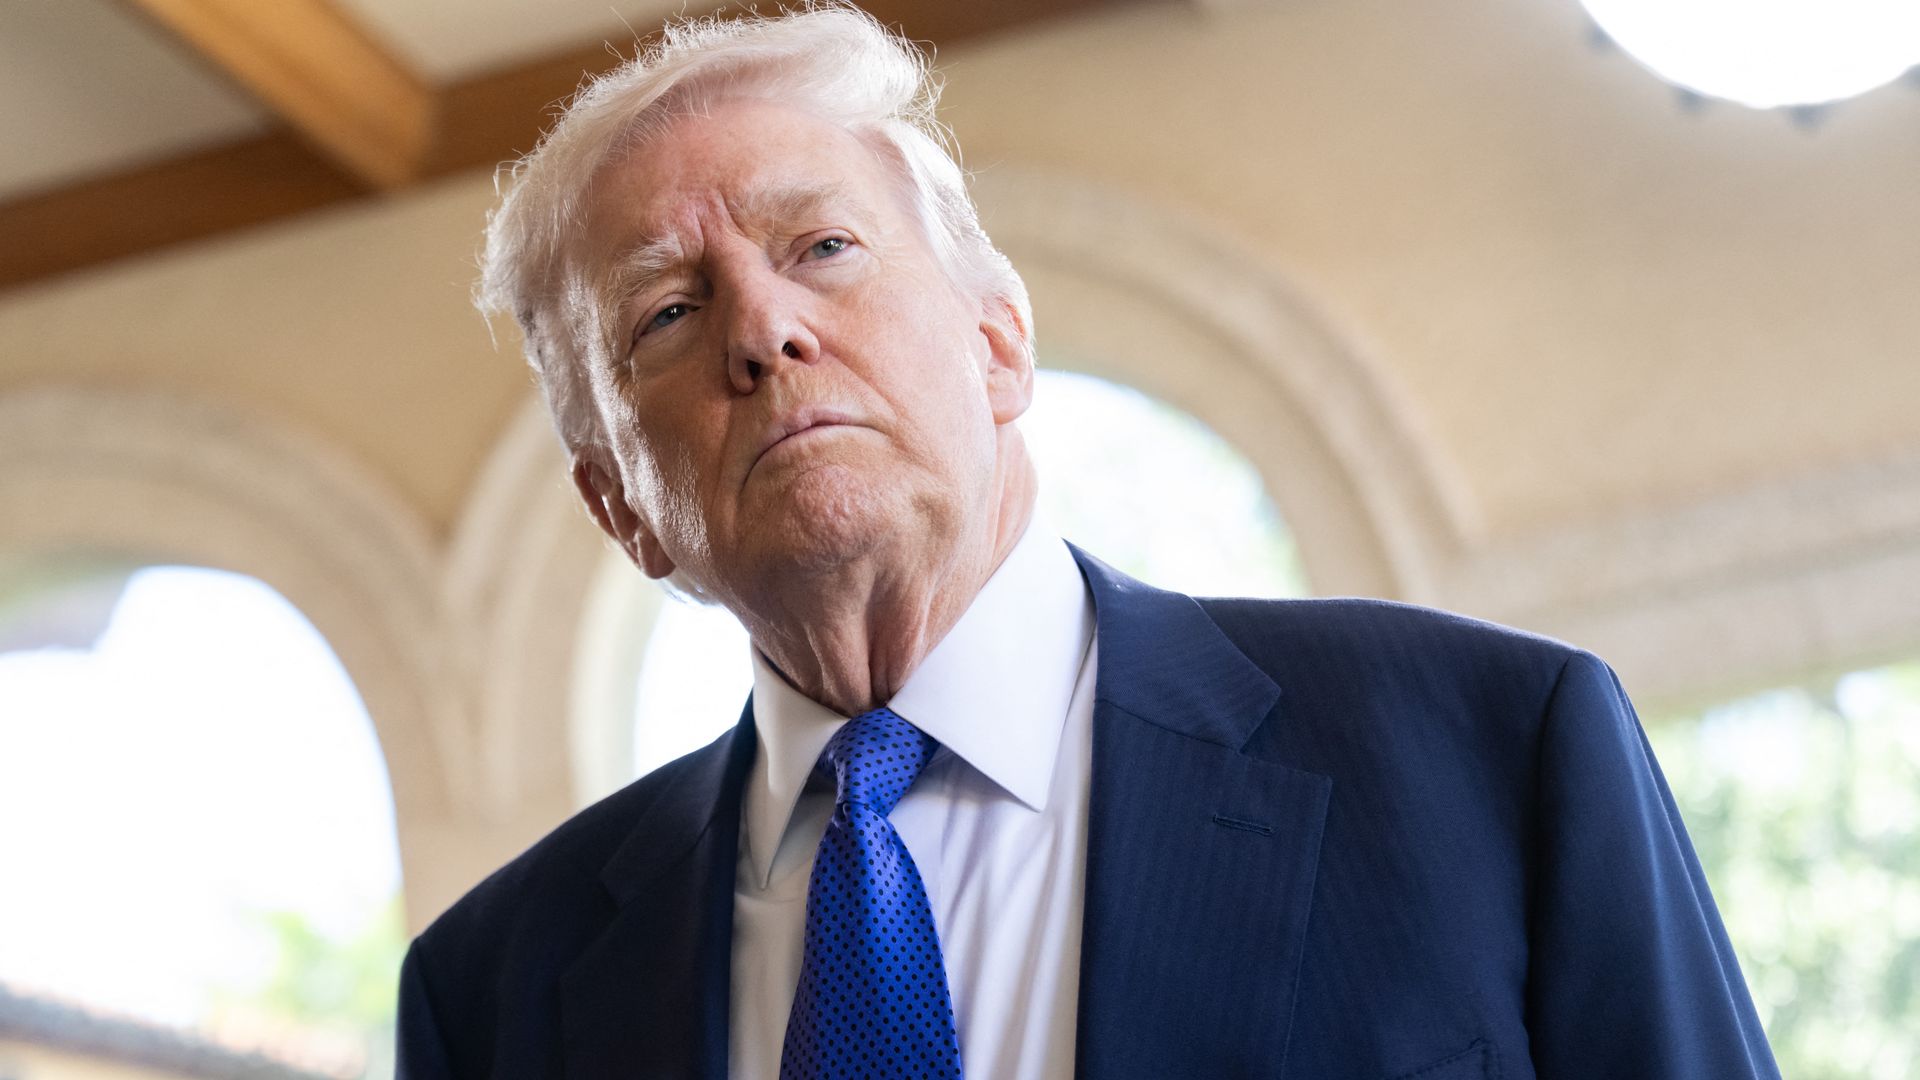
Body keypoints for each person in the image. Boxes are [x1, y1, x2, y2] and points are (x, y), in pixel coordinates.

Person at [396, 7, 1780, 1078]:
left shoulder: (1490, 747)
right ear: (621, 509)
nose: (764, 328)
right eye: (666, 316)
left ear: (998, 346)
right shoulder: (497, 991)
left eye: (820, 247)